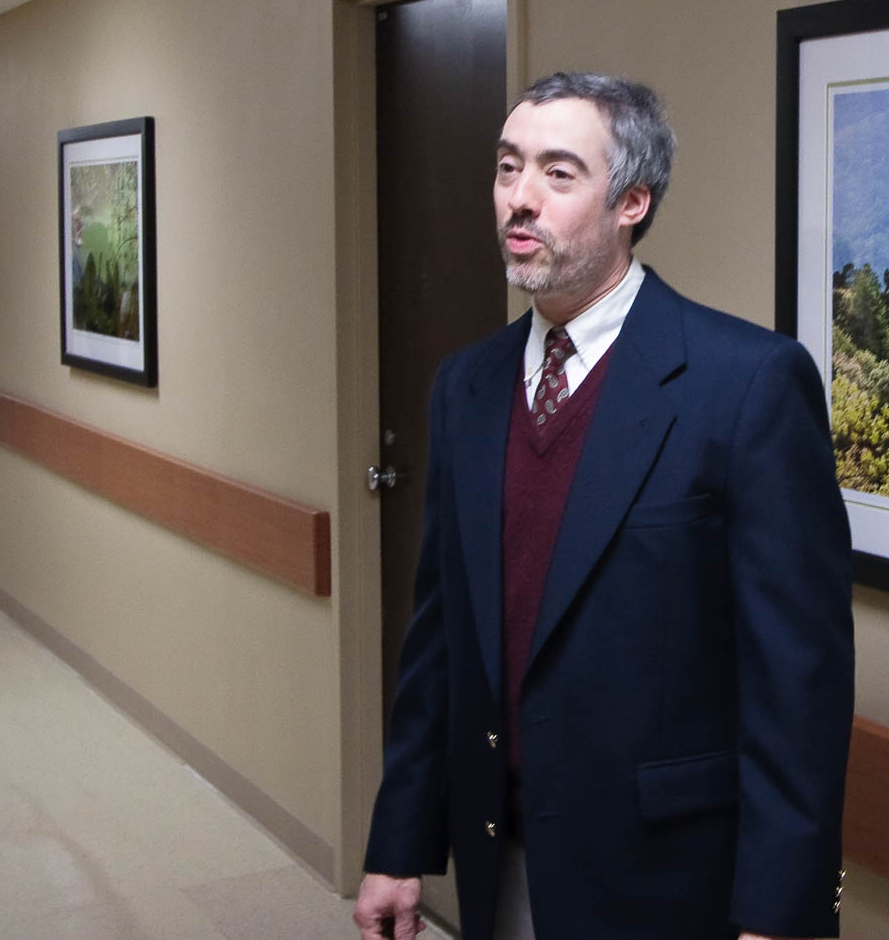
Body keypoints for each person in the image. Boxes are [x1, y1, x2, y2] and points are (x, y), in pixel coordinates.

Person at [355, 73, 854, 940]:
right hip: (500, 858)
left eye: (557, 174)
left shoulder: (746, 385)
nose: (519, 199)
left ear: (631, 200)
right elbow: (438, 642)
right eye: (509, 168)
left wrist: (779, 913)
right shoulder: (465, 387)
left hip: (669, 877)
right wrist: (399, 839)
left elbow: (798, 686)